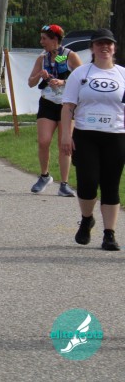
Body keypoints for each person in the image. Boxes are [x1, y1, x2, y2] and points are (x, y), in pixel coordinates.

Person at [60, 29, 125, 251]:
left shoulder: (122, 75)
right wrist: (66, 135)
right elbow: (68, 106)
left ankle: (109, 234)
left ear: (114, 48)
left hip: (116, 136)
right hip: (86, 135)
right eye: (99, 44)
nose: (104, 47)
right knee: (87, 182)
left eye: (108, 44)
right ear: (92, 48)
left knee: (111, 185)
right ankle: (87, 219)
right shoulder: (80, 74)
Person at [27, 24, 82, 196]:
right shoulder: (42, 58)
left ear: (55, 39)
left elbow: (82, 79)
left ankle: (64, 184)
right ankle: (44, 176)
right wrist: (40, 75)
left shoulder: (69, 56)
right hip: (47, 103)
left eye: (44, 39)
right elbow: (30, 83)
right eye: (41, 38)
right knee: (43, 141)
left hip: (67, 105)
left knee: (64, 145)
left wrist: (63, 82)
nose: (41, 42)